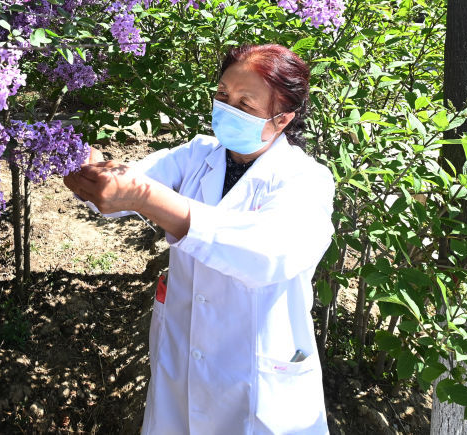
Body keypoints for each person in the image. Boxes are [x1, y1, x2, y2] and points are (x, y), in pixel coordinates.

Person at [63, 43, 335, 434]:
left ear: (281, 120)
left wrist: (149, 199)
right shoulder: (198, 154)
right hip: (182, 364)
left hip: (256, 382)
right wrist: (87, 167)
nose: (227, 109)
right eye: (223, 95)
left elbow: (266, 254)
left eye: (245, 104)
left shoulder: (306, 180)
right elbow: (128, 187)